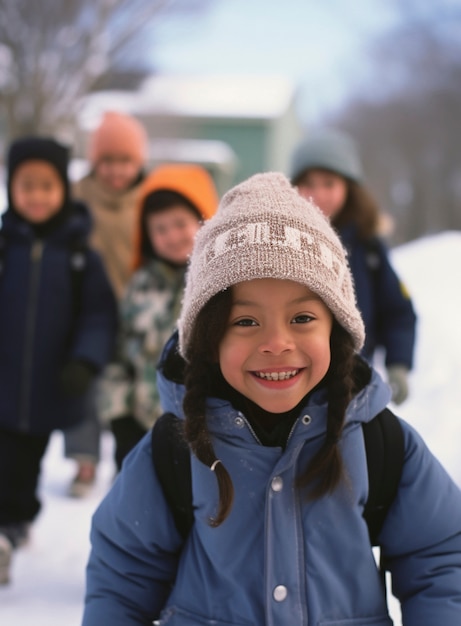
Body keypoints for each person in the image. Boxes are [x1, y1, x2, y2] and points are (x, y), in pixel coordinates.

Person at [82, 172, 461, 625]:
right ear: (207, 338)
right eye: (245, 322)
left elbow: (441, 557)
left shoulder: (378, 441)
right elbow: (123, 577)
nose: (277, 343)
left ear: (336, 331)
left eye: (302, 317)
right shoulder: (176, 448)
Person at [0, 137, 117, 585]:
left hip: (52, 383)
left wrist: (85, 360)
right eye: (26, 185)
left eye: (46, 186)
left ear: (63, 190)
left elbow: (97, 315)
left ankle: (12, 526)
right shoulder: (5, 247)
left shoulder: (80, 256)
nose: (36, 196)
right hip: (4, 381)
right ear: (12, 189)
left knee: (22, 464)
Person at [99, 163, 219, 471]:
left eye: (180, 224)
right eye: (160, 229)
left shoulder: (220, 288)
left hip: (207, 433)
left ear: (204, 220)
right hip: (142, 428)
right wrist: (120, 416)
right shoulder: (140, 284)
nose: (171, 236)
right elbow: (120, 352)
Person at [289, 128, 417, 405]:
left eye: (329, 183)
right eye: (308, 184)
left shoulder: (367, 247)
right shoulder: (283, 240)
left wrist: (398, 363)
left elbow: (398, 310)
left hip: (353, 384)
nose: (318, 194)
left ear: (348, 187)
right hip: (292, 379)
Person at [64, 110, 148, 497]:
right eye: (108, 161)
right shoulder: (77, 199)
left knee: (127, 392)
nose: (116, 171)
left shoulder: (148, 201)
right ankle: (84, 461)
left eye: (125, 161)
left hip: (137, 313)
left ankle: (132, 462)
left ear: (139, 163)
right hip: (88, 312)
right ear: (95, 162)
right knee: (86, 389)